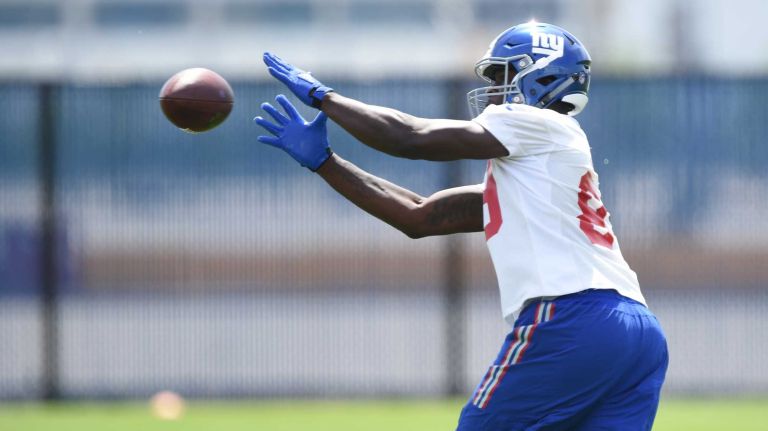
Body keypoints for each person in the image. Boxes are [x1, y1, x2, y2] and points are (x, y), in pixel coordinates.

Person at [254, 22, 668, 431]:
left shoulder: (540, 124)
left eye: (504, 75)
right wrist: (325, 163)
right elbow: (419, 216)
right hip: (637, 332)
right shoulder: (540, 167)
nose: (493, 90)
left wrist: (324, 97)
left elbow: (411, 137)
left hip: (573, 318)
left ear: (543, 76)